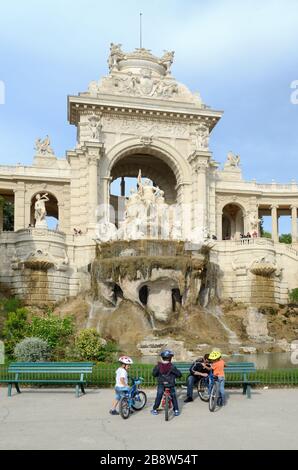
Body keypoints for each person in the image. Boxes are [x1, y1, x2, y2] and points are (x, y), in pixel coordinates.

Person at [151, 350, 182, 416]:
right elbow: (179, 374)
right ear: (170, 358)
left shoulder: (158, 366)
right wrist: (176, 375)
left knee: (159, 395)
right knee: (173, 395)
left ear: (162, 358)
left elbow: (154, 374)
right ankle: (176, 410)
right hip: (170, 384)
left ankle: (154, 409)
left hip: (161, 384)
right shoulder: (172, 366)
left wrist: (158, 375)